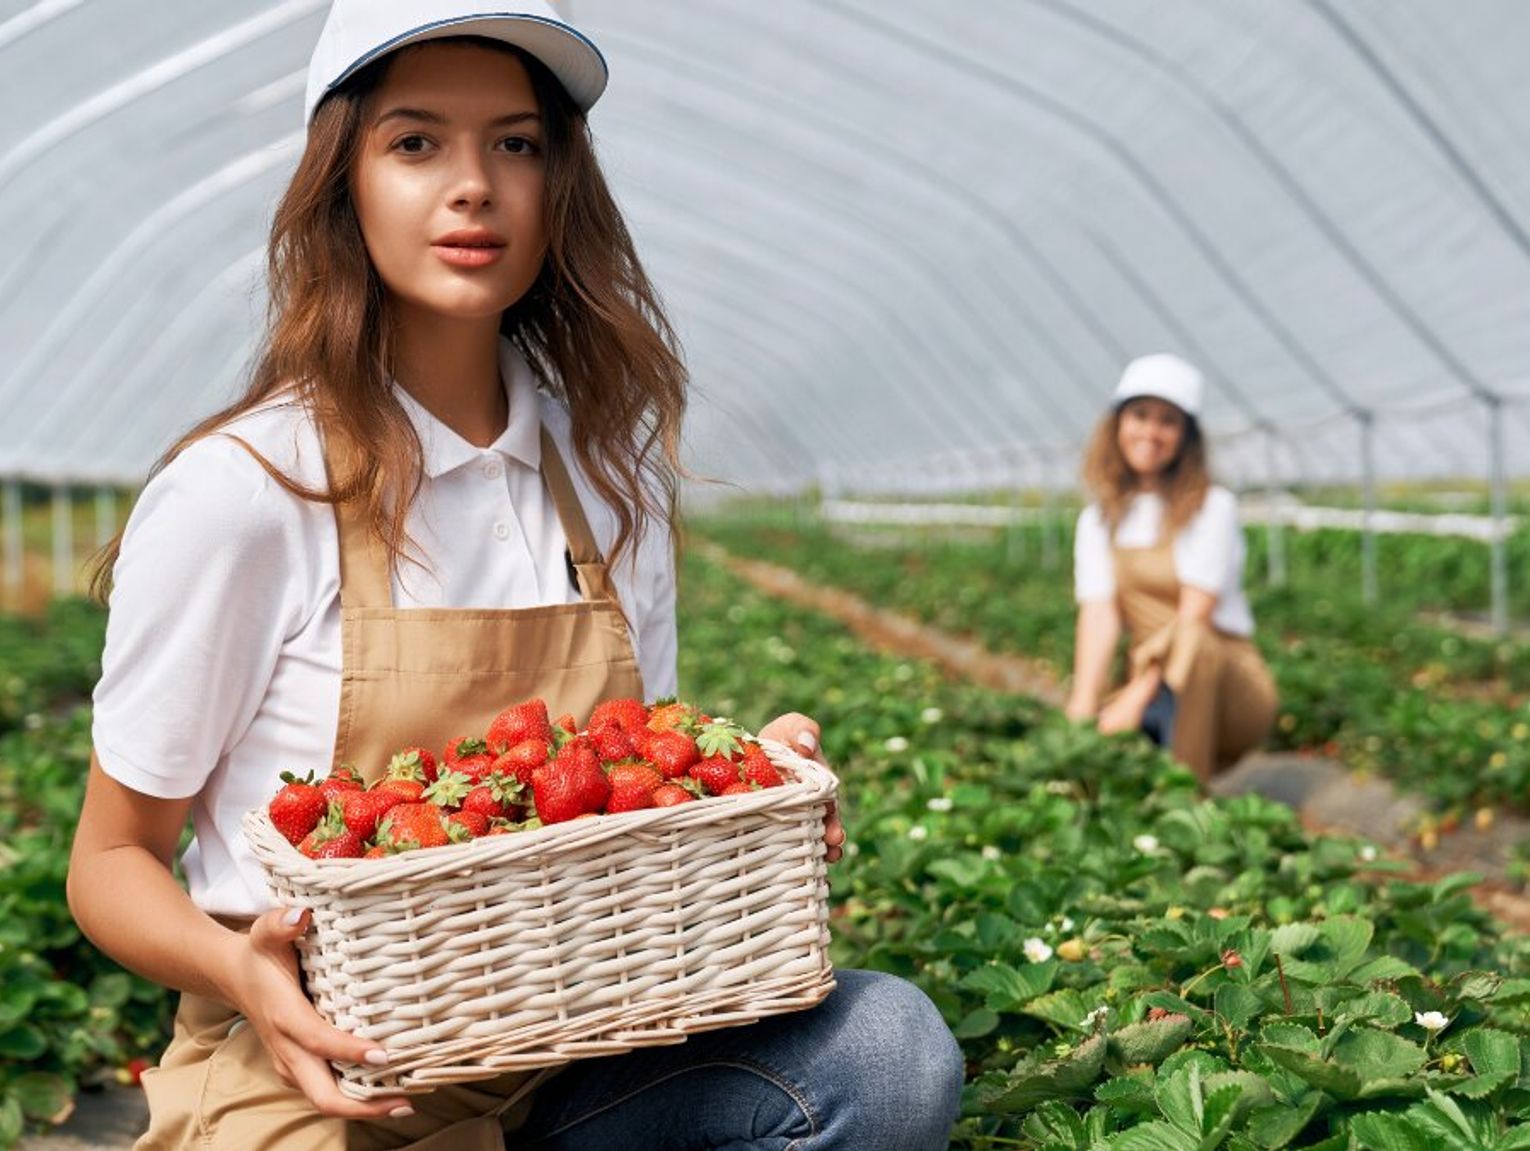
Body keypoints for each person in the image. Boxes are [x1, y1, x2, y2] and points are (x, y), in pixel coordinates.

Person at [65, 3, 965, 1148]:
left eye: (517, 143)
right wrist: (241, 971)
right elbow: (108, 858)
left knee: (884, 1052)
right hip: (320, 1072)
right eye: (415, 142)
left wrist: (743, 779)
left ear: (559, 185)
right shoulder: (246, 492)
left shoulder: (604, 478)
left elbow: (622, 800)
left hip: (588, 1057)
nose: (475, 184)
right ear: (342, 180)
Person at [1064, 354, 1277, 781]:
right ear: (1117, 424)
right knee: (1102, 770)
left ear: (1186, 437)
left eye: (1168, 421)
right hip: (1153, 684)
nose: (1151, 432)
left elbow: (1193, 616)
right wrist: (1082, 710)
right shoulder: (1099, 519)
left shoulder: (1211, 508)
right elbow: (1099, 615)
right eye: (1140, 415)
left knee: (1193, 640)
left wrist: (1135, 696)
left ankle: (1186, 801)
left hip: (1228, 686)